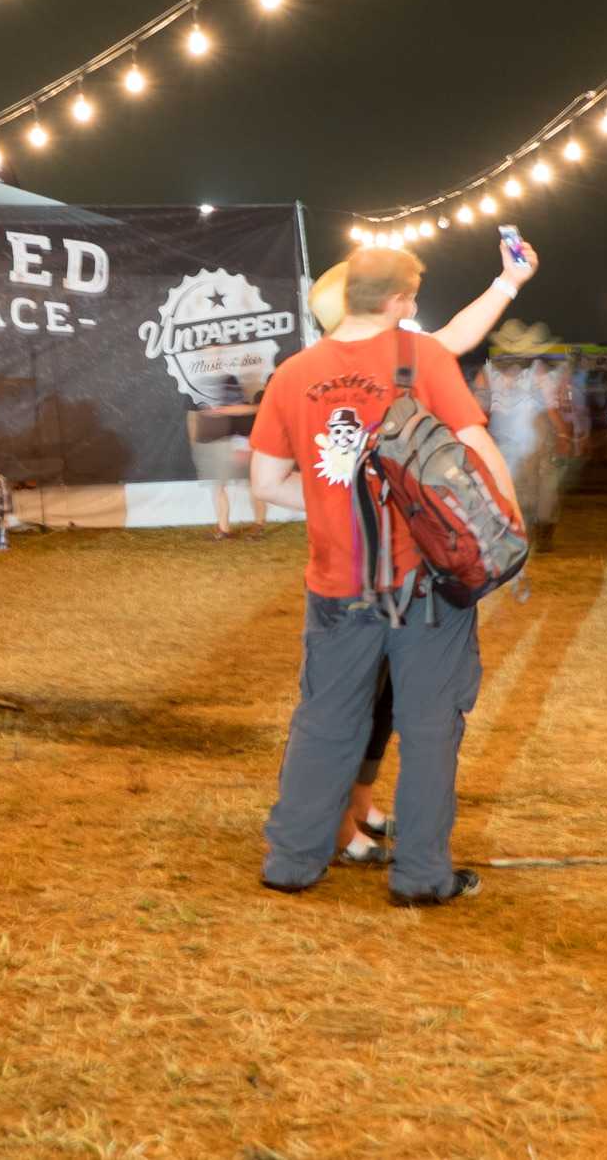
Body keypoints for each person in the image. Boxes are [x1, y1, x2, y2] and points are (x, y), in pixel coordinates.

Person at [250, 245, 520, 908]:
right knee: (430, 726)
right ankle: (422, 875)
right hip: (423, 586)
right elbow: (477, 449)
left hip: (337, 584)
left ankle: (292, 861)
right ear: (398, 300)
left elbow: (264, 482)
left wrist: (329, 499)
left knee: (324, 722)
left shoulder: (292, 373)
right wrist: (509, 533)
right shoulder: (421, 359)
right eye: (413, 296)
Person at [186, 373, 262, 541]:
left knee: (253, 488)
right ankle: (225, 528)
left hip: (247, 449)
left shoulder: (244, 409)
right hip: (231, 449)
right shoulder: (222, 410)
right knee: (222, 488)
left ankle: (255, 525)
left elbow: (256, 410)